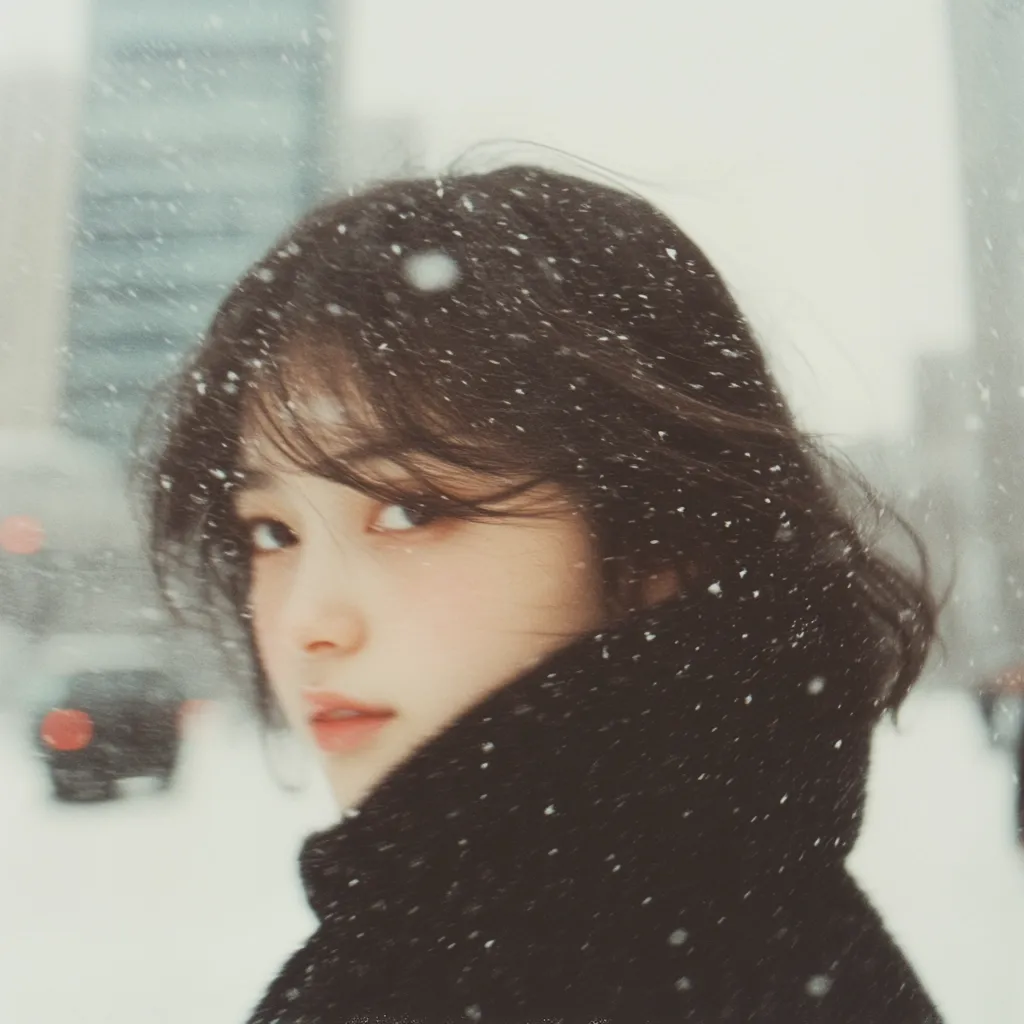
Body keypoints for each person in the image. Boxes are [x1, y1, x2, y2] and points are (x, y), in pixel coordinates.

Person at [142, 164, 943, 1023]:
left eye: (411, 512)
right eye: (273, 532)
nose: (308, 622)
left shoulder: (504, 971)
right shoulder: (759, 923)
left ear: (659, 543)